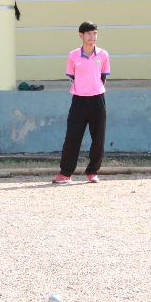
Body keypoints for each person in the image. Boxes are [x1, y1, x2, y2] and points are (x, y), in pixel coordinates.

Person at [53, 21, 110, 185]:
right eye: (89, 34)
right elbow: (72, 76)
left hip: (97, 100)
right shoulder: (73, 55)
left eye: (95, 33)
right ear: (81, 35)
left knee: (98, 138)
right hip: (78, 100)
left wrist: (94, 88)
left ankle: (92, 172)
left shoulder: (103, 54)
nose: (92, 37)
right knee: (72, 137)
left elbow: (103, 76)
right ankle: (65, 173)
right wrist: (83, 88)